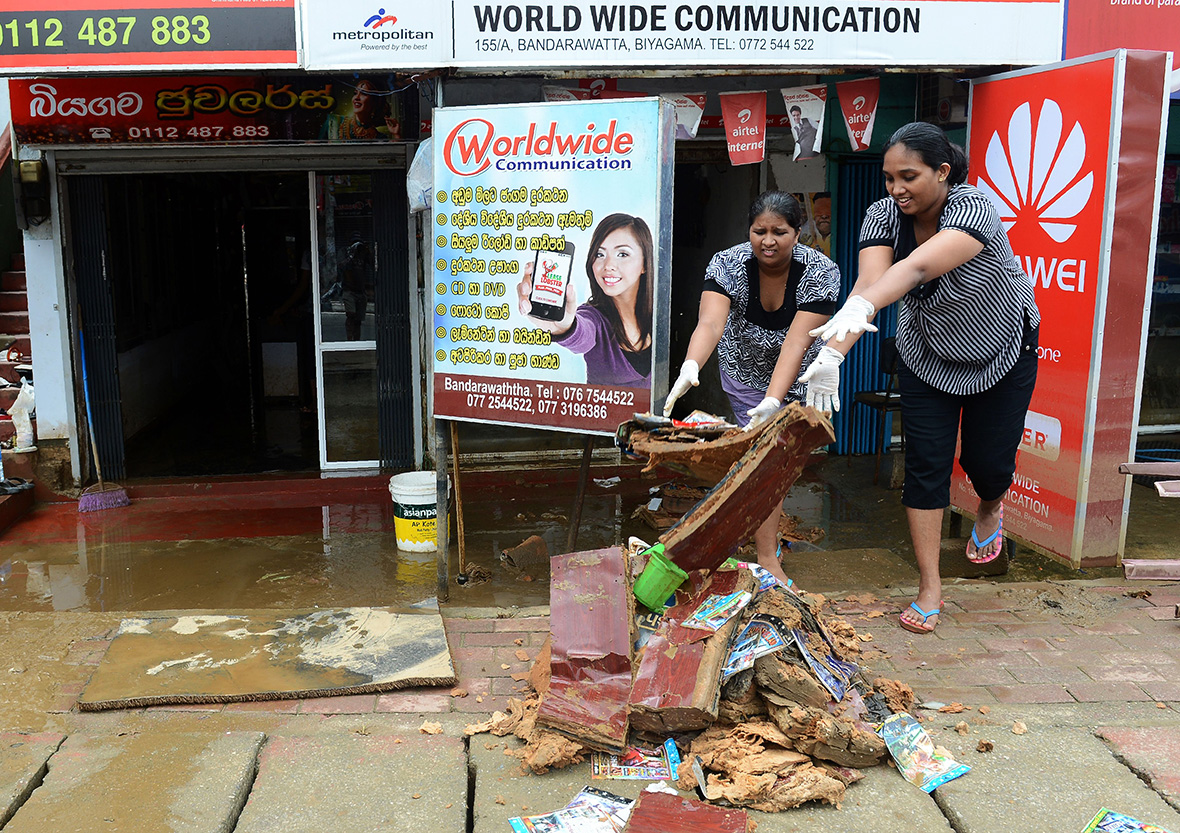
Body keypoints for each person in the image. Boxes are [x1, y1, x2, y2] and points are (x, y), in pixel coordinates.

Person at [806, 122, 1040, 634]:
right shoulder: (882, 215)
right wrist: (832, 356)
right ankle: (930, 587)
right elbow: (869, 285)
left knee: (988, 463)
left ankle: (989, 509)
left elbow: (912, 272)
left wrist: (862, 307)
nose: (896, 189)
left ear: (942, 171)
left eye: (908, 176)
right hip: (926, 354)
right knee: (926, 465)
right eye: (889, 178)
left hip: (1000, 350)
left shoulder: (973, 209)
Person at [662, 191, 840, 585]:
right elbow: (710, 324)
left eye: (780, 231)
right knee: (765, 460)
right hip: (743, 373)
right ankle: (766, 555)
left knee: (779, 462)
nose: (768, 240)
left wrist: (775, 400)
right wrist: (691, 365)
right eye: (759, 231)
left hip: (799, 375)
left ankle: (767, 547)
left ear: (798, 232)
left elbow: (797, 342)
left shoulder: (821, 272)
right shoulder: (726, 264)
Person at [515, 213, 653, 387]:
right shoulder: (593, 317)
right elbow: (582, 335)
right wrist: (564, 327)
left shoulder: (659, 316)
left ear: (645, 264)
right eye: (600, 254)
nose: (608, 265)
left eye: (623, 254)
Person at [326, 79, 402, 142]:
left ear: (375, 101)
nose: (356, 98)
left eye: (364, 93)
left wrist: (396, 135)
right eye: (355, 93)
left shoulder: (380, 138)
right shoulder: (333, 122)